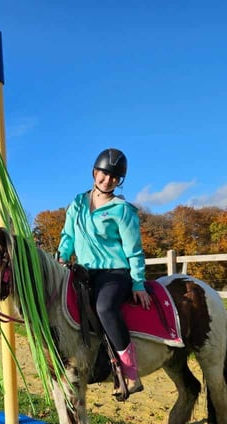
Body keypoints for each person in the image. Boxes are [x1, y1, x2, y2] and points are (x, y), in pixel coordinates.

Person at [57, 148, 150, 396]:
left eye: (115, 177)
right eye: (104, 174)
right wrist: (62, 257)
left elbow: (134, 250)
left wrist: (138, 283)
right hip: (84, 272)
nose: (108, 180)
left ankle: (130, 373)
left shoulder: (123, 210)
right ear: (94, 172)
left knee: (105, 307)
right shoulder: (77, 203)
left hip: (115, 273)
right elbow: (68, 236)